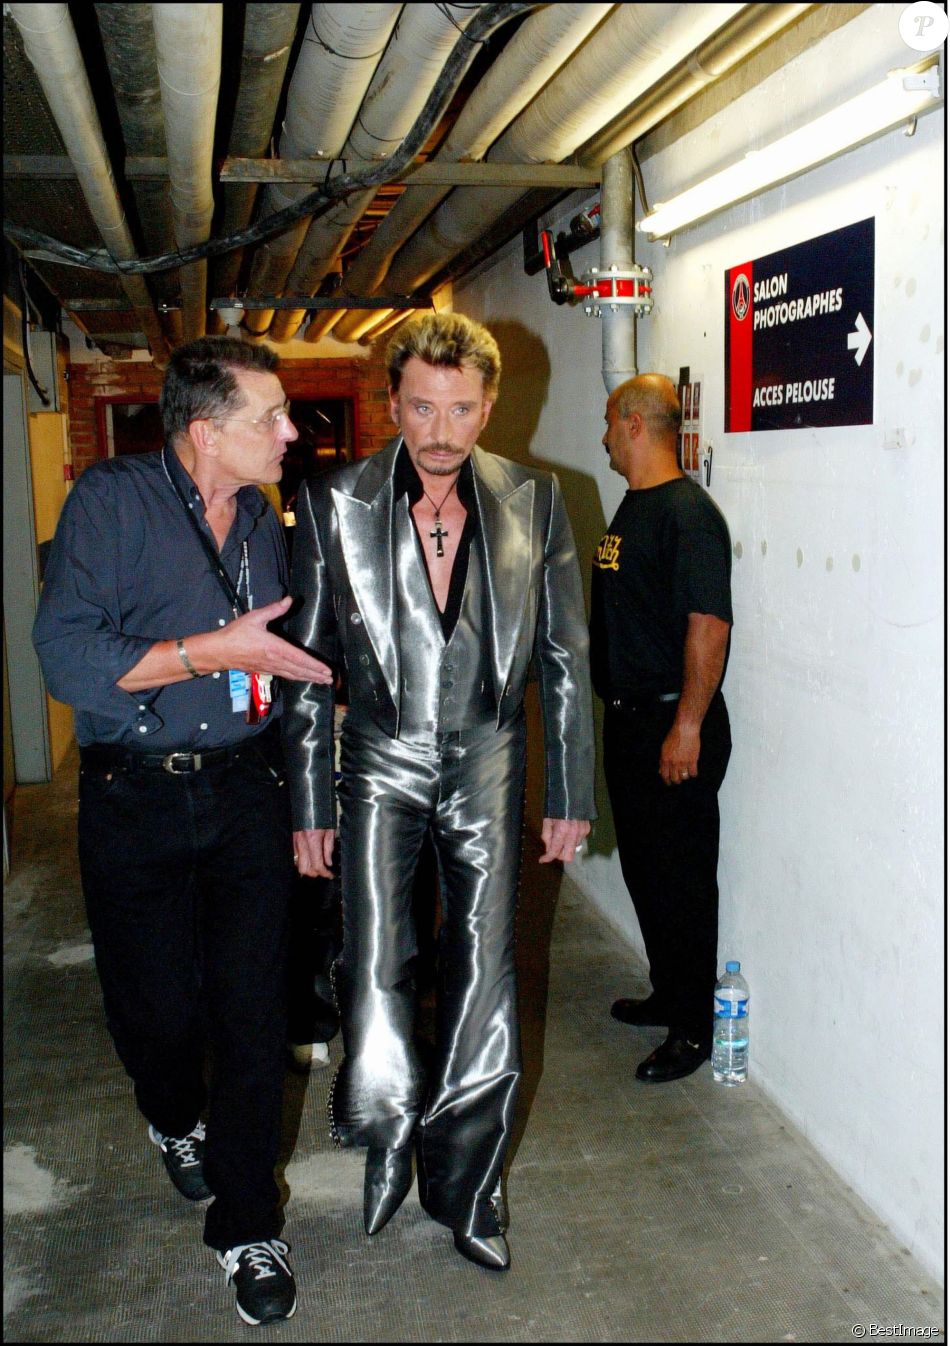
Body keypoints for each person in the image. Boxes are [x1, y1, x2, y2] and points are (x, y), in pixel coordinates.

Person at [283, 311, 595, 1271]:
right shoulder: (334, 501)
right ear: (392, 403)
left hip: (490, 756)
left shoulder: (537, 501)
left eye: (461, 408)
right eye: (422, 406)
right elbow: (304, 666)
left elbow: (566, 658)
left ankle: (470, 1183)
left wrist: (570, 789)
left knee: (485, 977)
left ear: (489, 406)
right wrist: (309, 802)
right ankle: (386, 1141)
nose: (442, 430)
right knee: (373, 963)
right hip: (377, 756)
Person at [32, 336, 332, 1326]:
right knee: (157, 1016)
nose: (290, 432)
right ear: (205, 432)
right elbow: (67, 658)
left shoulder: (258, 518)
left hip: (244, 792)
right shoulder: (110, 506)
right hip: (135, 799)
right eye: (268, 418)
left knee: (252, 1018)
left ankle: (247, 1224)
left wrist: (305, 803)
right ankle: (170, 1115)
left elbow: (277, 670)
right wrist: (213, 649)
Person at [590, 374, 733, 1084]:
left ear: (635, 423)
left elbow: (708, 624)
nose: (605, 436)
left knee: (682, 879)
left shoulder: (687, 513)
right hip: (631, 722)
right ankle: (668, 994)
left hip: (673, 725)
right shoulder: (635, 506)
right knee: (646, 871)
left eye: (611, 423)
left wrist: (687, 725)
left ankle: (694, 1030)